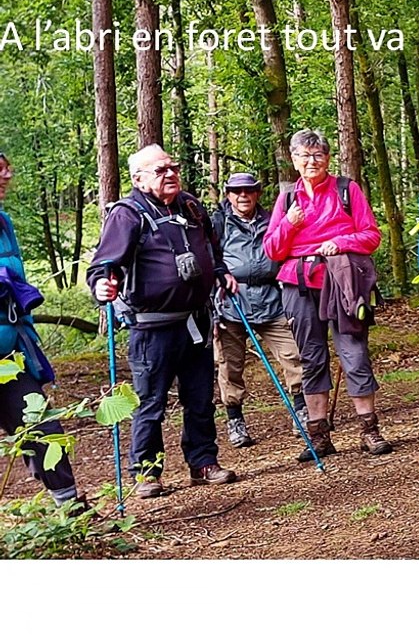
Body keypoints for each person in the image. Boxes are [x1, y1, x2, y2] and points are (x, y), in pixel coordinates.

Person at [88, 145, 238, 498]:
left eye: (172, 167)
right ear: (138, 179)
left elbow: (211, 249)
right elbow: (103, 265)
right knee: (150, 402)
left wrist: (220, 271)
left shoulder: (190, 205)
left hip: (196, 321)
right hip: (151, 327)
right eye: (160, 170)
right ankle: (147, 472)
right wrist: (101, 284)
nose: (170, 174)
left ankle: (203, 462)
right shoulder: (127, 214)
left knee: (200, 397)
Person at [263, 129, 390, 462]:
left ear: (328, 157)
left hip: (342, 280)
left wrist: (342, 243)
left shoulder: (347, 190)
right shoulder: (287, 199)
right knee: (311, 357)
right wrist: (289, 224)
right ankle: (318, 435)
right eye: (304, 155)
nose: (311, 161)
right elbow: (272, 250)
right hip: (298, 283)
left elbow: (371, 235)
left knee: (354, 351)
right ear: (293, 159)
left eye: (318, 154)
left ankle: (369, 429)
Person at [0, 152, 87, 508]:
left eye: (7, 166)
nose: (8, 173)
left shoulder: (4, 222)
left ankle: (70, 511)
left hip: (10, 352)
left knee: (42, 426)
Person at [212, 172, 307, 447]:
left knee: (294, 355)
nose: (243, 196)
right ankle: (235, 419)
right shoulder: (217, 223)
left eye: (249, 191)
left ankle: (301, 410)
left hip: (270, 298)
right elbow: (208, 260)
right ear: (228, 194)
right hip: (230, 302)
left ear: (257, 193)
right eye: (237, 191)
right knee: (229, 365)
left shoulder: (272, 219)